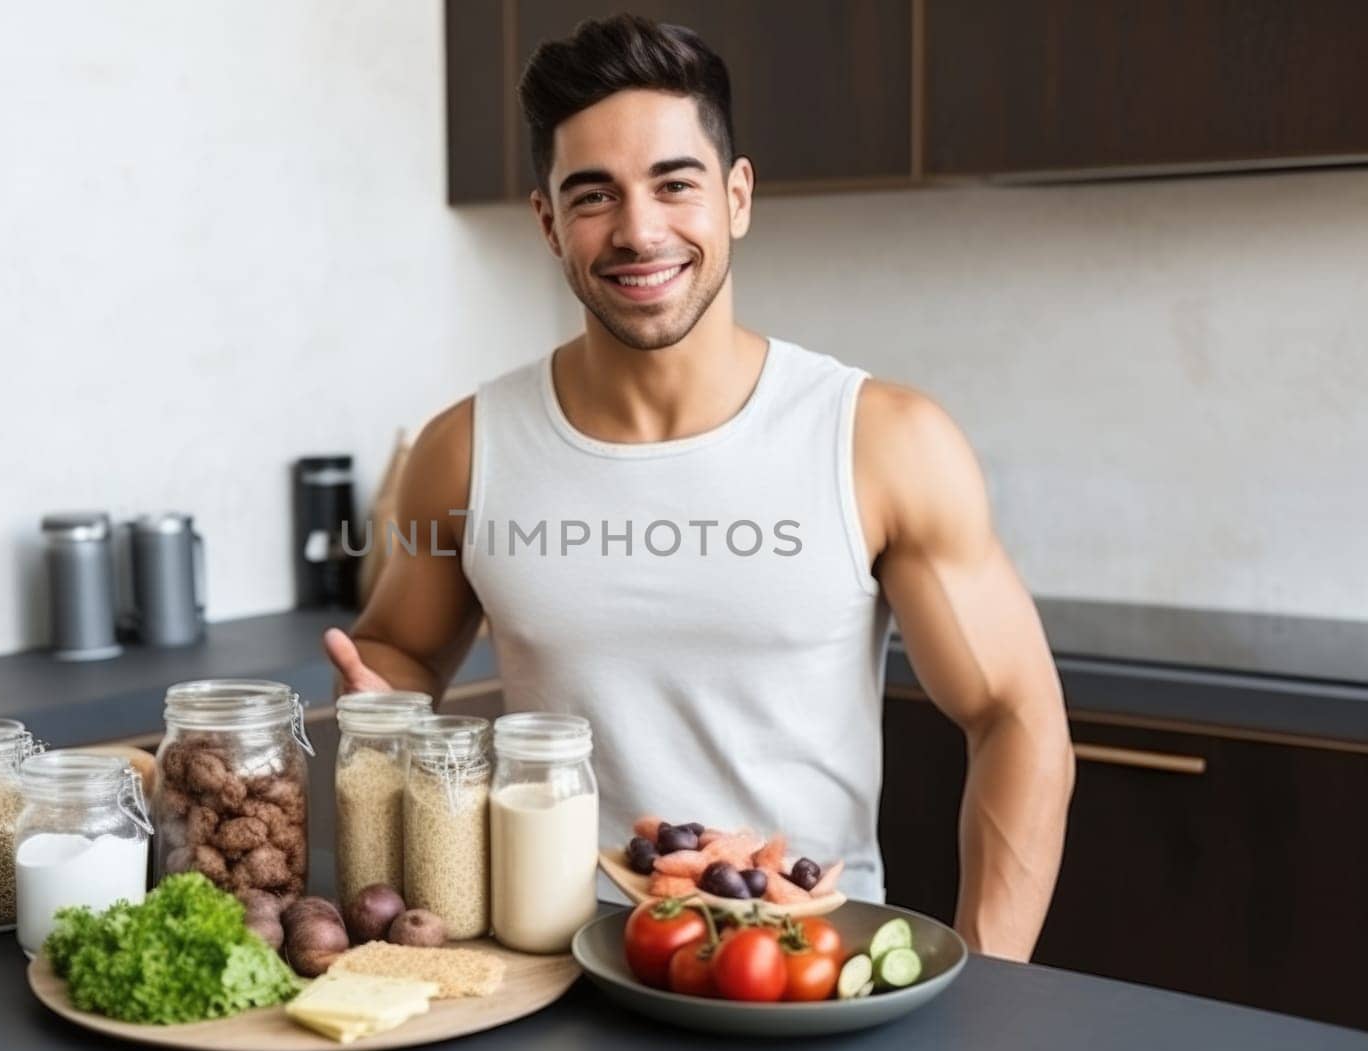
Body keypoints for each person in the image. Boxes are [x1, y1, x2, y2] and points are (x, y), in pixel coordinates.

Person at [324, 14, 1073, 960]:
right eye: (593, 196)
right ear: (548, 221)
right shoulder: (466, 449)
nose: (640, 231)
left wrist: (989, 981)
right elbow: (400, 648)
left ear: (737, 196)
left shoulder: (882, 442)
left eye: (674, 184)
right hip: (558, 966)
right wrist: (379, 697)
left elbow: (1016, 713)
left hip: (803, 968)